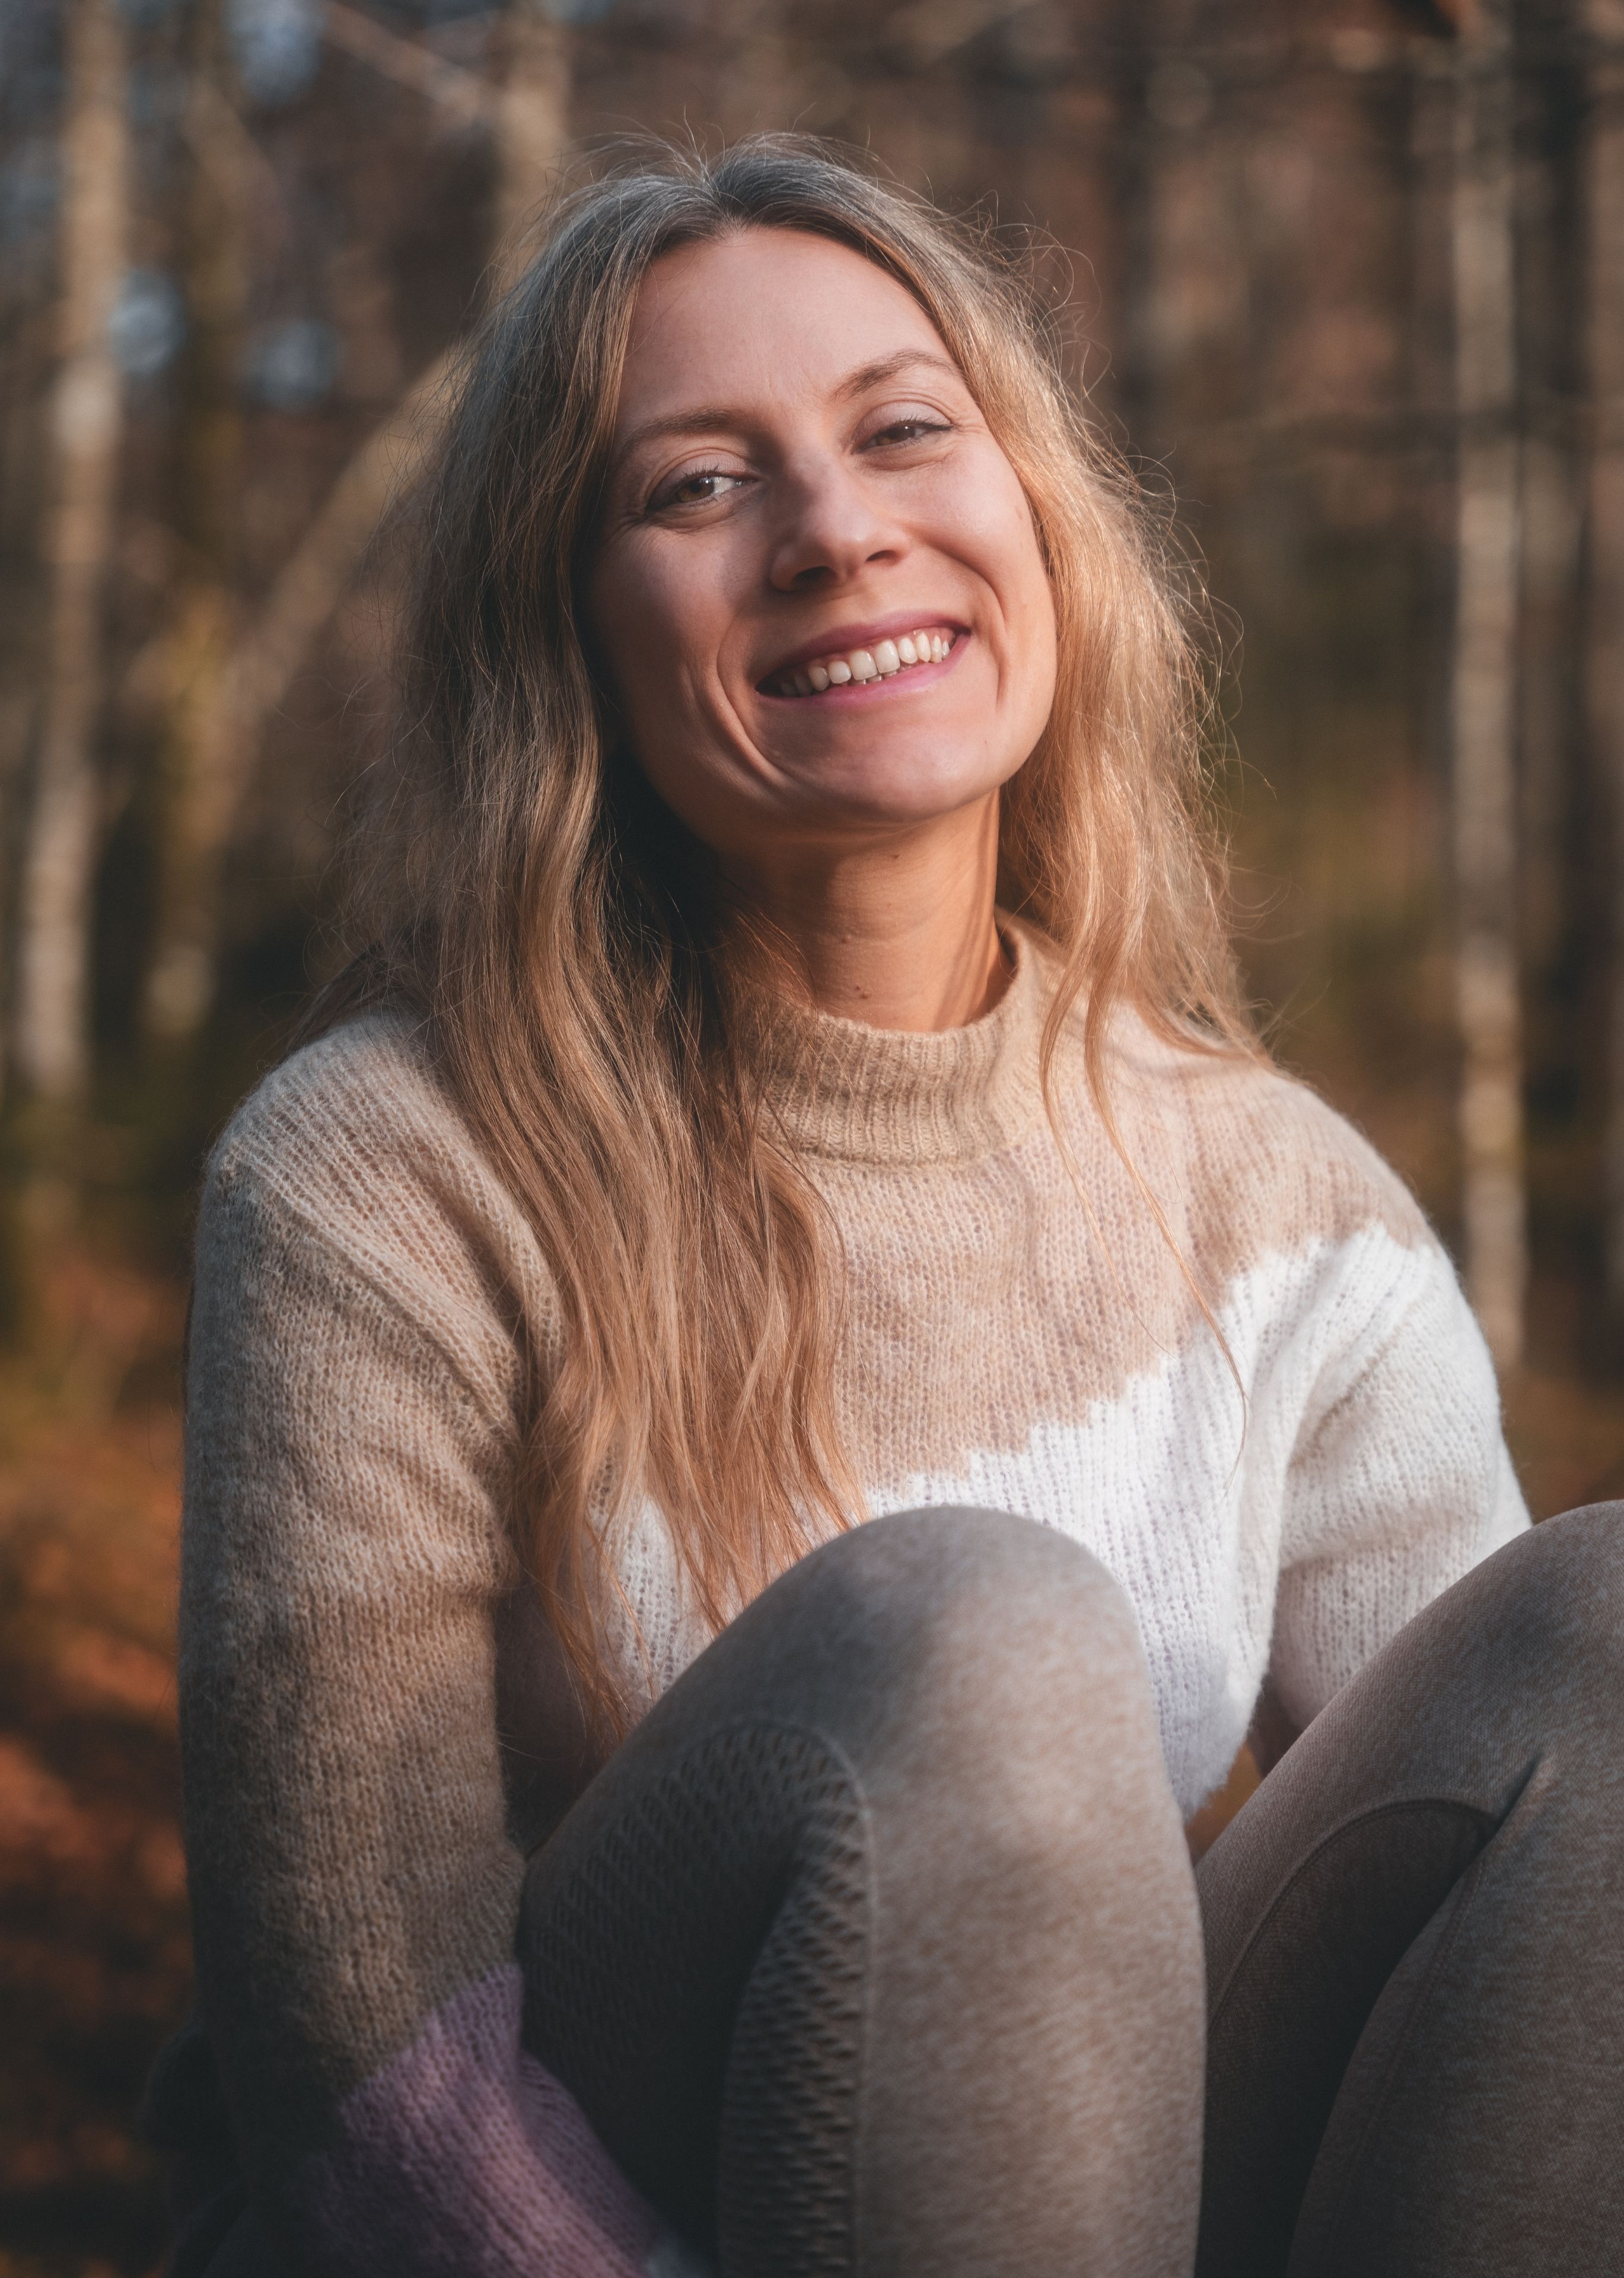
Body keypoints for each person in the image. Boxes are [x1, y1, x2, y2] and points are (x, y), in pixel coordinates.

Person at [146, 138, 1624, 2278]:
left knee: (1602, 1635)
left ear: (1033, 516)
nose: (837, 530)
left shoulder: (1274, 1197)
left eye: (902, 430)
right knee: (980, 1633)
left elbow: (1500, 1914)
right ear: (565, 639)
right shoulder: (378, 1179)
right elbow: (364, 2081)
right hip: (507, 2231)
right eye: (695, 486)